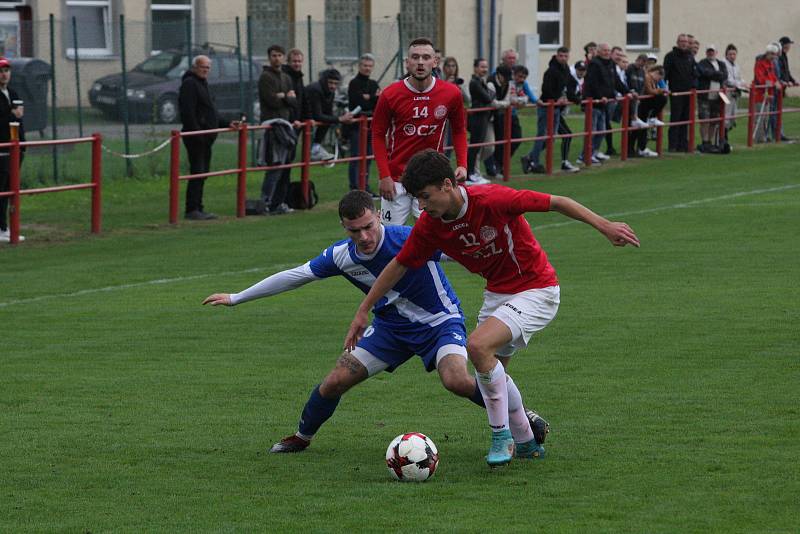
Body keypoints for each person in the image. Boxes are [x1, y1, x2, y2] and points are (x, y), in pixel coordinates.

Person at [345, 149, 639, 467]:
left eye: (426, 197)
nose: (421, 206)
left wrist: (604, 226)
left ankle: (501, 437)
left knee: (477, 345)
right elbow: (399, 265)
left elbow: (557, 201)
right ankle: (527, 442)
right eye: (417, 198)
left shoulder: (492, 199)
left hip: (536, 288)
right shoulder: (431, 226)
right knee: (494, 380)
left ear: (447, 184)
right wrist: (364, 309)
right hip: (498, 295)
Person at [203, 190, 549, 454]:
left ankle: (522, 416)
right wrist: (236, 297)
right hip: (390, 330)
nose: (365, 237)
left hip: (440, 323)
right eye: (355, 231)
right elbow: (296, 275)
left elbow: (459, 249)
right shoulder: (342, 255)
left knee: (457, 380)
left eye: (369, 226)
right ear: (344, 227)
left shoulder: (408, 238)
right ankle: (302, 437)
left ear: (378, 218)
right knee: (335, 380)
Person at [371, 37, 468, 226]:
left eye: (425, 57)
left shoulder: (451, 93)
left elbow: (459, 131)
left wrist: (463, 164)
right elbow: (377, 135)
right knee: (388, 240)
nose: (420, 62)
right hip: (397, 181)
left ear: (435, 61)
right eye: (415, 57)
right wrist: (384, 176)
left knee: (433, 240)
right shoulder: (390, 94)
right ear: (407, 62)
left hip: (432, 179)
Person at [179, 55, 238, 220]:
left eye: (208, 67)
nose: (205, 70)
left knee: (203, 172)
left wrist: (227, 124)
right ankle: (192, 209)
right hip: (197, 137)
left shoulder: (202, 84)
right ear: (194, 67)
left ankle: (198, 206)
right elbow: (188, 113)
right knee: (197, 171)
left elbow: (210, 112)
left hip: (206, 137)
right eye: (202, 66)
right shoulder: (190, 84)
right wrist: (198, 134)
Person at [521, 46, 578, 174]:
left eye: (565, 56)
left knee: (551, 138)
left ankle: (529, 158)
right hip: (546, 107)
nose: (563, 58)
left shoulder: (566, 70)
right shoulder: (551, 71)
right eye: (561, 56)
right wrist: (557, 99)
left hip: (556, 108)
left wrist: (573, 98)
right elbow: (546, 89)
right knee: (542, 135)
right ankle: (534, 161)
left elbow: (570, 84)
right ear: (557, 56)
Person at [258, 45, 297, 215]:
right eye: (274, 55)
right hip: (273, 126)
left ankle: (278, 202)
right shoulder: (265, 77)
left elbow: (294, 100)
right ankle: (265, 202)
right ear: (269, 57)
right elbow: (271, 100)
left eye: (280, 55)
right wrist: (285, 97)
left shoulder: (286, 77)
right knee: (275, 166)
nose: (277, 58)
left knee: (286, 166)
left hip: (286, 125)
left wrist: (285, 97)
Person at [580, 43, 627, 166]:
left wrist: (628, 92)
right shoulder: (594, 65)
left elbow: (616, 81)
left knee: (602, 131)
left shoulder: (611, 64)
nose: (607, 52)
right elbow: (592, 83)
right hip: (594, 102)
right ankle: (585, 155)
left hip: (604, 103)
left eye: (608, 50)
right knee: (593, 130)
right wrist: (600, 96)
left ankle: (592, 153)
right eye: (604, 50)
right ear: (599, 52)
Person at [346, 53, 381, 194]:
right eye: (364, 65)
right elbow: (358, 102)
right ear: (359, 66)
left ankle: (364, 186)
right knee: (356, 157)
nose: (367, 68)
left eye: (369, 66)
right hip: (357, 126)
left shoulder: (373, 84)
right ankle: (355, 187)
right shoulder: (354, 83)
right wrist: (373, 98)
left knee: (368, 157)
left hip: (370, 126)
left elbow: (378, 104)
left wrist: (370, 98)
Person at [306, 69, 355, 161]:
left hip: (308, 120)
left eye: (335, 83)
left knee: (328, 120)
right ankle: (315, 148)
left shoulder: (330, 92)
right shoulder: (315, 90)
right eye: (330, 83)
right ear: (324, 81)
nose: (333, 86)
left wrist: (339, 119)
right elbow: (318, 115)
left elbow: (328, 114)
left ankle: (316, 148)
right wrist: (340, 119)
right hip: (299, 119)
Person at [0, 57, 25, 243]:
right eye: (1, 71)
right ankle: (1, 228)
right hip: (2, 148)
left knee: (10, 188)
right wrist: (11, 113)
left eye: (7, 70)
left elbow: (19, 118)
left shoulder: (14, 92)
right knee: (1, 188)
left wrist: (22, 145)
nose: (4, 74)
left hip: (15, 148)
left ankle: (6, 227)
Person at [664, 34, 696, 152]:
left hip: (688, 93)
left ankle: (683, 144)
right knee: (675, 118)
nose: (684, 43)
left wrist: (694, 86)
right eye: (682, 41)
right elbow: (665, 73)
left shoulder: (690, 56)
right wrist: (665, 88)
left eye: (686, 42)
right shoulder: (670, 56)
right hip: (676, 92)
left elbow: (694, 73)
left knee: (686, 118)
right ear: (677, 42)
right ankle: (673, 145)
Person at [466, 58, 496, 183]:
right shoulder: (474, 82)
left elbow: (489, 96)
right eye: (482, 67)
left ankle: (472, 173)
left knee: (478, 146)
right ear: (475, 68)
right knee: (474, 146)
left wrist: (490, 94)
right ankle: (470, 174)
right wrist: (491, 93)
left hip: (483, 116)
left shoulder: (480, 81)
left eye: (486, 67)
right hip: (478, 116)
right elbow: (488, 98)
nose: (485, 69)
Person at [696, 45, 728, 152]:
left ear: (716, 52)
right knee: (704, 119)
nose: (710, 53)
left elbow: (724, 75)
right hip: (705, 96)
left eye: (712, 51)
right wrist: (717, 74)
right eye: (709, 51)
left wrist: (714, 74)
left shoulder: (721, 64)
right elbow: (704, 73)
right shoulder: (702, 63)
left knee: (714, 120)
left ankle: (710, 141)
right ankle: (704, 141)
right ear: (706, 53)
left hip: (717, 97)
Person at [633, 65, 667, 157]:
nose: (658, 81)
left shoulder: (650, 78)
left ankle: (641, 148)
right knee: (640, 127)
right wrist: (661, 90)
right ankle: (640, 149)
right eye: (659, 78)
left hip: (643, 104)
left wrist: (659, 90)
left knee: (642, 127)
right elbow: (650, 91)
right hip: (642, 104)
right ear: (656, 73)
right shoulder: (647, 77)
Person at [753, 43, 781, 143]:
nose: (774, 57)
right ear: (768, 53)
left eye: (775, 55)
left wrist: (776, 81)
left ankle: (763, 136)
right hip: (759, 93)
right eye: (773, 54)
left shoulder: (771, 63)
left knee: (765, 116)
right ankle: (758, 138)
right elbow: (760, 79)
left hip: (768, 93)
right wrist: (774, 83)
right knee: (759, 116)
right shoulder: (760, 63)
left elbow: (772, 75)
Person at [721, 44, 748, 134]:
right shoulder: (723, 64)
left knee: (732, 115)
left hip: (734, 93)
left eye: (734, 54)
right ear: (726, 55)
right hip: (726, 93)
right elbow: (728, 80)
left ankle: (725, 137)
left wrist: (744, 83)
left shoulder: (736, 65)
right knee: (725, 114)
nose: (732, 56)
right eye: (730, 54)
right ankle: (722, 138)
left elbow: (738, 78)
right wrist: (739, 84)